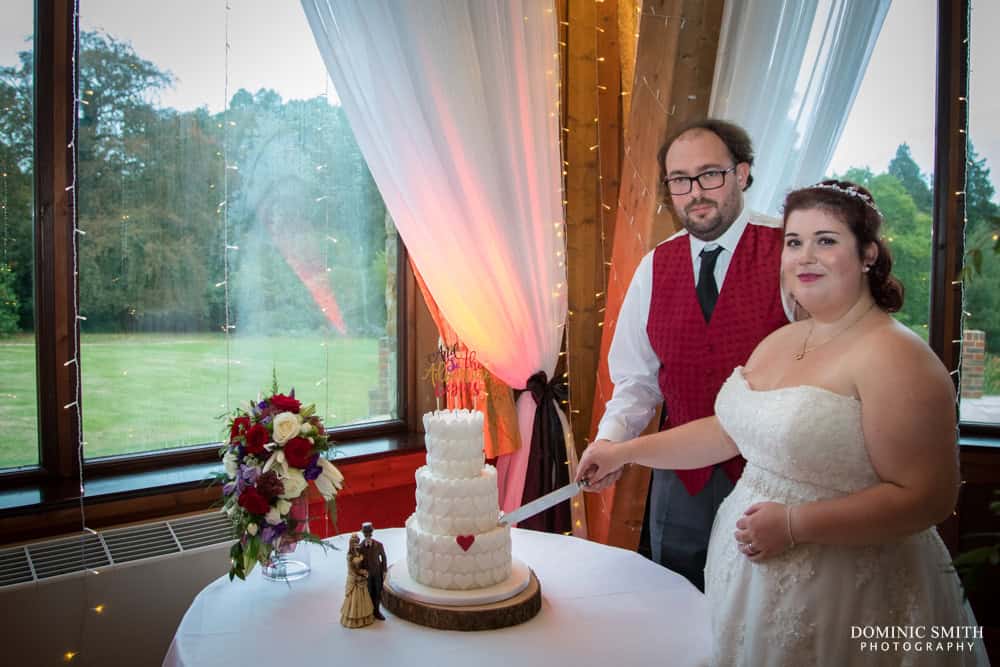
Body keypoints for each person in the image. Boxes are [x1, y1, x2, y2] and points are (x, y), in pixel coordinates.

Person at [578, 180, 988, 665]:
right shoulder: (782, 341)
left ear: (868, 255)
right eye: (794, 242)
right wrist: (623, 451)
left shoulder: (896, 356)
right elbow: (727, 432)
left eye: (827, 240)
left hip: (846, 597)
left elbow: (928, 499)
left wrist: (795, 525)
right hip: (748, 588)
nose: (805, 257)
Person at [592, 118, 790, 589]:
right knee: (677, 600)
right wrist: (609, 441)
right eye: (680, 180)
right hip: (680, 480)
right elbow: (636, 381)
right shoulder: (654, 265)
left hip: (773, 475)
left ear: (741, 174)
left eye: (710, 175)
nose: (695, 192)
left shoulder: (788, 249)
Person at [340, 534, 375, 628]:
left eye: (357, 542)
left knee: (363, 599)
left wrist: (363, 571)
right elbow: (352, 569)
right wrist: (358, 575)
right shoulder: (350, 556)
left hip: (360, 577)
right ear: (351, 544)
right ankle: (354, 619)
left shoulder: (358, 553)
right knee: (354, 599)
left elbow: (360, 565)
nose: (357, 544)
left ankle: (364, 618)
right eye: (355, 543)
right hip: (354, 579)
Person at [358, 521, 387, 620]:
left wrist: (384, 570)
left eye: (369, 533)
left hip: (377, 573)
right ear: (363, 533)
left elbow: (383, 558)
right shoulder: (360, 547)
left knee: (378, 592)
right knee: (369, 592)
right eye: (366, 533)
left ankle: (377, 611)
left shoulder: (379, 545)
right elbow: (359, 561)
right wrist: (361, 571)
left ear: (372, 532)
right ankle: (369, 611)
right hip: (367, 574)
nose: (368, 535)